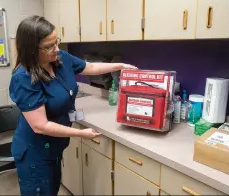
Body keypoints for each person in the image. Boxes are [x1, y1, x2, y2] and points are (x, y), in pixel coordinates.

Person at [9, 15, 137, 196]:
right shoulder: (23, 77)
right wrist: (80, 133)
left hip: (54, 147)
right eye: (48, 46)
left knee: (52, 190)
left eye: (56, 43)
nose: (56, 50)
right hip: (34, 153)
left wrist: (120, 66)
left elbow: (90, 67)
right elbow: (40, 126)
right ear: (31, 49)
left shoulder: (60, 58)